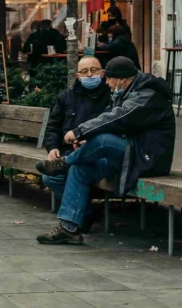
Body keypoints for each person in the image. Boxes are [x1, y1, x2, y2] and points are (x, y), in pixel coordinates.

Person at [35, 56, 174, 244]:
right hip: (128, 154)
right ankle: (70, 230)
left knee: (101, 141)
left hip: (147, 158)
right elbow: (110, 120)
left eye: (108, 78)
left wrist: (79, 132)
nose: (105, 82)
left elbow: (117, 118)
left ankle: (64, 163)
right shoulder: (124, 92)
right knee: (80, 168)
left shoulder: (147, 95)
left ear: (122, 79)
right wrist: (86, 140)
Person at [41, 57, 111, 218]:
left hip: (96, 153)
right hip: (68, 152)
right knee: (50, 178)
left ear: (102, 73)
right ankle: (86, 213)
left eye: (93, 70)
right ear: (78, 76)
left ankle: (75, 219)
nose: (89, 75)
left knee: (76, 171)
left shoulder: (110, 96)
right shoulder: (67, 96)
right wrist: (52, 148)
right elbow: (53, 126)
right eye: (84, 71)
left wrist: (90, 140)